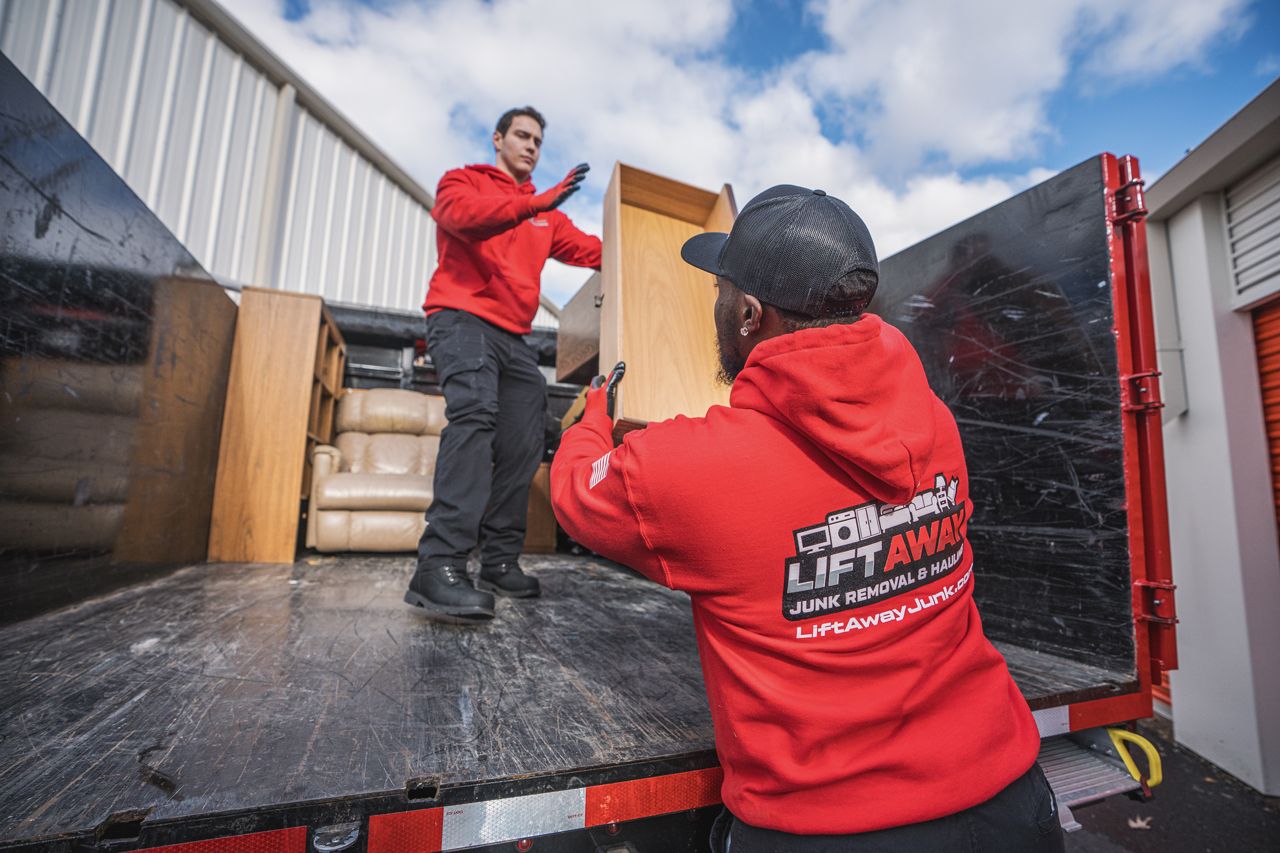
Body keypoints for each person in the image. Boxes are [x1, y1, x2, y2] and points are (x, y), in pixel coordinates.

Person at [550, 186, 1063, 851]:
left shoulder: (685, 468)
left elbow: (576, 495)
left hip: (829, 829)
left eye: (719, 293)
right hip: (1011, 801)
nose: (715, 306)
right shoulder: (935, 422)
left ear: (749, 315)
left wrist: (593, 419)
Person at [406, 106, 601, 623]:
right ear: (498, 138)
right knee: (474, 414)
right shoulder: (464, 181)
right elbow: (462, 220)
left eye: (538, 139)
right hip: (460, 318)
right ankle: (439, 565)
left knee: (524, 437)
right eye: (522, 135)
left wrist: (657, 249)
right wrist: (535, 202)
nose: (531, 145)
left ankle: (497, 561)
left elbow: (592, 251)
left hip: (514, 337)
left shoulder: (547, 214)